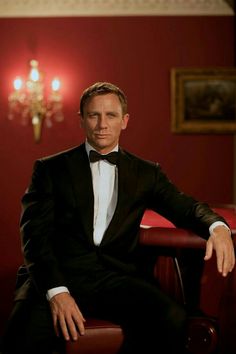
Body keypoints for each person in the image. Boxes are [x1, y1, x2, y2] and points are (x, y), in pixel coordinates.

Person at [2, 82, 235, 354]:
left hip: (113, 279)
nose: (102, 124)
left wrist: (217, 227)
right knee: (19, 338)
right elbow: (34, 238)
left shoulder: (146, 173)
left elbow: (185, 207)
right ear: (81, 120)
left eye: (111, 115)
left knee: (172, 317)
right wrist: (57, 292)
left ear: (124, 121)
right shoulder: (49, 169)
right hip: (54, 275)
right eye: (93, 115)